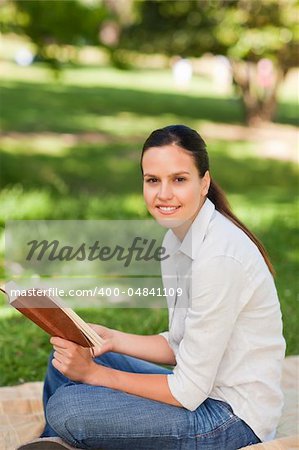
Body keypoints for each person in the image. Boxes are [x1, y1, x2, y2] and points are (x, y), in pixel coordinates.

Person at [19, 125, 285, 450]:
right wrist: (112, 340)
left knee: (68, 405)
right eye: (152, 180)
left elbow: (187, 390)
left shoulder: (219, 258)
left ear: (204, 183)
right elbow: (180, 344)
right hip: (201, 393)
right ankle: (56, 442)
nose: (163, 194)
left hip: (231, 420)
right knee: (63, 359)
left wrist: (95, 376)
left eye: (179, 179)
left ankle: (61, 437)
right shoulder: (176, 241)